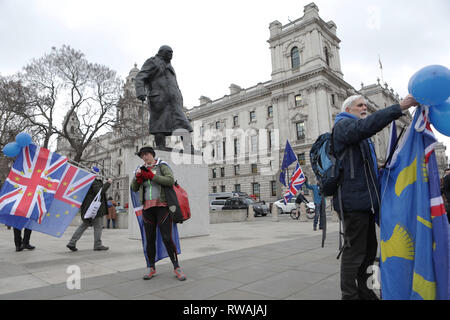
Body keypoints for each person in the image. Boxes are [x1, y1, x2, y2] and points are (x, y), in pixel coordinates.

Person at [332, 94, 418, 300]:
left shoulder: (356, 130)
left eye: (365, 105)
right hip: (353, 204)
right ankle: (349, 295)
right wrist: (399, 107)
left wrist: (376, 166)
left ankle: (365, 291)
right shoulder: (343, 125)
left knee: (369, 251)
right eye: (360, 105)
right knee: (354, 254)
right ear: (348, 109)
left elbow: (356, 163)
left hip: (366, 203)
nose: (364, 108)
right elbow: (364, 128)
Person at [130, 146, 186, 281]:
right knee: (149, 240)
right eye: (142, 155)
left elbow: (170, 180)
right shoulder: (140, 169)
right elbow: (134, 188)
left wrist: (152, 176)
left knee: (167, 237)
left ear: (152, 155)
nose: (144, 157)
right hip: (147, 209)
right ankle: (151, 268)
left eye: (147, 154)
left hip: (162, 207)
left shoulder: (162, 166)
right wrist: (137, 178)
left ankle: (176, 267)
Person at [135, 45, 193, 150]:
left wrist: (179, 97)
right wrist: (140, 92)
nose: (171, 55)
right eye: (169, 52)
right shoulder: (152, 62)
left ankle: (189, 148)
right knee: (160, 125)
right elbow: (140, 77)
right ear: (162, 52)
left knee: (183, 123)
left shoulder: (170, 66)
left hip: (174, 101)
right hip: (159, 100)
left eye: (172, 53)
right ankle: (160, 147)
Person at [66, 167, 111, 251]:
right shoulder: (94, 181)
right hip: (95, 209)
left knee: (83, 225)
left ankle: (72, 242)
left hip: (88, 208)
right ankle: (97, 245)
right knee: (98, 226)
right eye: (100, 173)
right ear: (97, 173)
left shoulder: (88, 181)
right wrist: (108, 183)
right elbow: (100, 192)